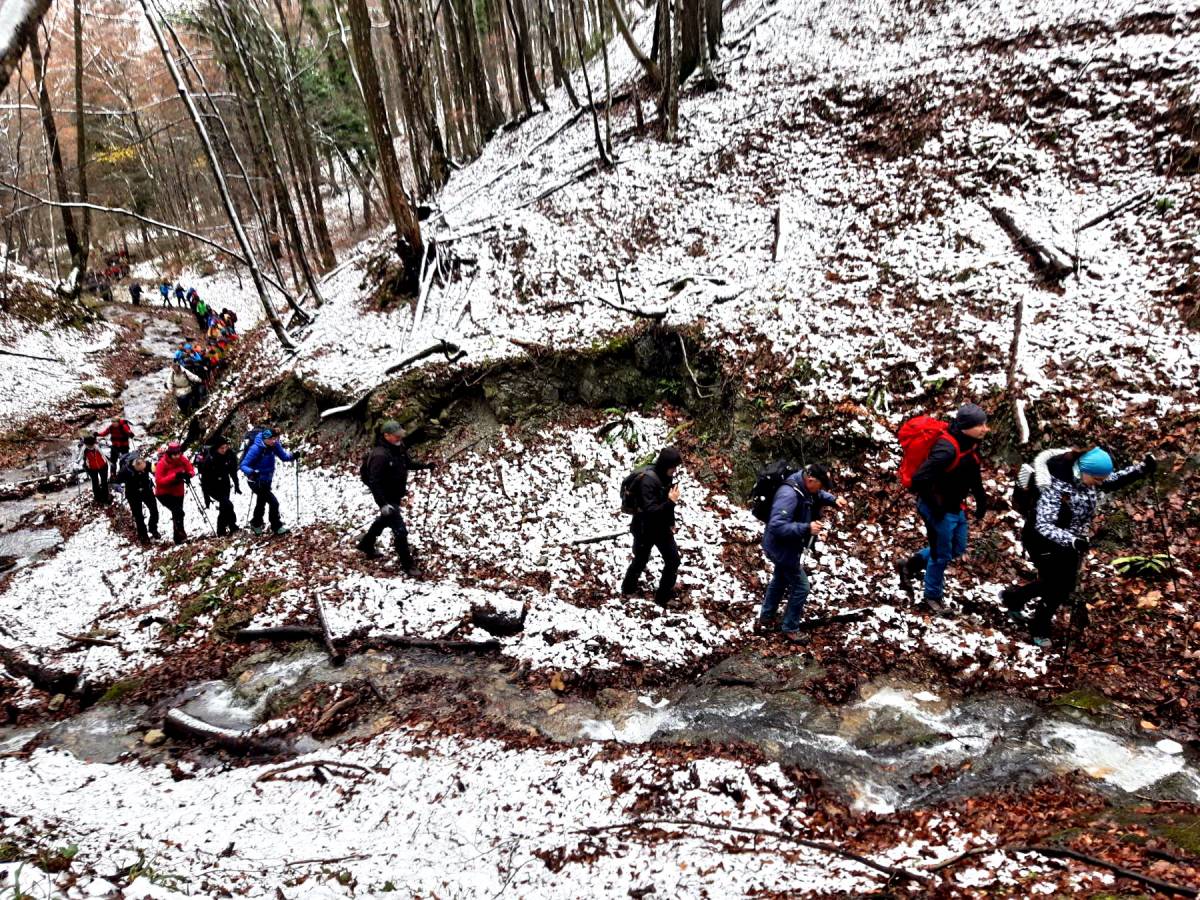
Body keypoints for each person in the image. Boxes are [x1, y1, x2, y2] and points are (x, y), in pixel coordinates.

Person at [1002, 448, 1156, 648]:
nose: (1100, 483)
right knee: (1056, 587)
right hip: (1042, 541)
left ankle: (1014, 599)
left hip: (1070, 541)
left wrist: (1142, 469)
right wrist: (1072, 540)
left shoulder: (1087, 475)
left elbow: (1112, 480)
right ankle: (1039, 627)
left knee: (1062, 586)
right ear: (1084, 471)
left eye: (1101, 479)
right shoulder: (1055, 485)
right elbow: (1044, 525)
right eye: (1097, 479)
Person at [896, 403, 990, 615]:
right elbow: (920, 478)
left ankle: (910, 565)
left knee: (957, 548)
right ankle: (932, 597)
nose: (986, 429)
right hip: (938, 509)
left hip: (955, 507)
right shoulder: (946, 450)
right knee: (941, 555)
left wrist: (981, 499)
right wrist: (936, 507)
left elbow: (972, 471)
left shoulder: (971, 444)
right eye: (981, 425)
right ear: (966, 427)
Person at [758, 464, 843, 643]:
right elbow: (777, 526)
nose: (821, 490)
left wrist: (833, 500)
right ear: (810, 480)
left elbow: (817, 494)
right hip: (781, 549)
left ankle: (766, 617)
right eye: (820, 485)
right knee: (801, 586)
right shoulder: (788, 495)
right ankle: (790, 628)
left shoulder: (803, 483)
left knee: (780, 579)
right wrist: (806, 528)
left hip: (785, 547)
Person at [357, 420, 433, 570]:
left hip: (395, 495)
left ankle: (366, 544)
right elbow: (374, 482)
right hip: (386, 497)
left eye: (400, 434)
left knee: (384, 521)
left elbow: (407, 464)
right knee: (400, 531)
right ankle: (408, 565)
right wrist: (383, 504)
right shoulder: (380, 455)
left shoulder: (398, 447)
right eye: (396, 435)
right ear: (386, 436)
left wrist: (425, 466)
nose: (400, 437)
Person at [620, 446, 683, 608]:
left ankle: (663, 597)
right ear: (666, 465)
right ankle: (628, 588)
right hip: (644, 528)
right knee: (641, 559)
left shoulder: (666, 477)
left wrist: (671, 522)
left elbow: (665, 502)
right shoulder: (647, 481)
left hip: (661, 528)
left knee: (673, 561)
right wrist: (671, 502)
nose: (675, 471)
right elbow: (650, 511)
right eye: (673, 467)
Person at [239, 428, 294, 536]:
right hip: (255, 481)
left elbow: (284, 457)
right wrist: (252, 472)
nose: (274, 441)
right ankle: (276, 526)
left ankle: (256, 523)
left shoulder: (275, 445)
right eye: (271, 439)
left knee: (261, 501)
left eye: (275, 438)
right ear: (265, 439)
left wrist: (293, 456)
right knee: (274, 503)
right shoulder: (255, 448)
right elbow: (243, 465)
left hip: (267, 480)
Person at [197, 436, 242, 536]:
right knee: (228, 505)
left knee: (224, 507)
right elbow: (204, 480)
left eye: (226, 447)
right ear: (216, 448)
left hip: (225, 484)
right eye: (222, 448)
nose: (224, 450)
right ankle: (232, 525)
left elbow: (233, 471)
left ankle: (221, 530)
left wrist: (236, 484)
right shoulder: (210, 459)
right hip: (212, 487)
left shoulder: (230, 455)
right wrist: (206, 497)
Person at [154, 441, 196, 545]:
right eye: (174, 454)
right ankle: (182, 536)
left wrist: (188, 474)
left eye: (178, 453)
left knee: (178, 514)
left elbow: (191, 469)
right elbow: (159, 480)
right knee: (178, 512)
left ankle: (178, 539)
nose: (177, 456)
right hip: (164, 493)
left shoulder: (182, 459)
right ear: (169, 454)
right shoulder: (162, 463)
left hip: (178, 492)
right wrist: (174, 476)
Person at [114, 452, 160, 543]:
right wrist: (118, 487)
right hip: (133, 494)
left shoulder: (146, 464)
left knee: (154, 511)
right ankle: (143, 536)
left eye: (143, 469)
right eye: (140, 470)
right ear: (134, 465)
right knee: (138, 516)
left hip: (146, 491)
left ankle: (153, 528)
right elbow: (115, 481)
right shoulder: (125, 470)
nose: (142, 471)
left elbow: (155, 470)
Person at [78, 434, 110, 504]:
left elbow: (106, 455)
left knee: (104, 482)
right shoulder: (84, 450)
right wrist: (78, 467)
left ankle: (105, 498)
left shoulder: (98, 447)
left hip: (103, 466)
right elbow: (79, 460)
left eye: (92, 445)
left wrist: (111, 462)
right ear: (86, 444)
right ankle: (97, 497)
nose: (91, 447)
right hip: (92, 468)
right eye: (89, 445)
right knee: (95, 482)